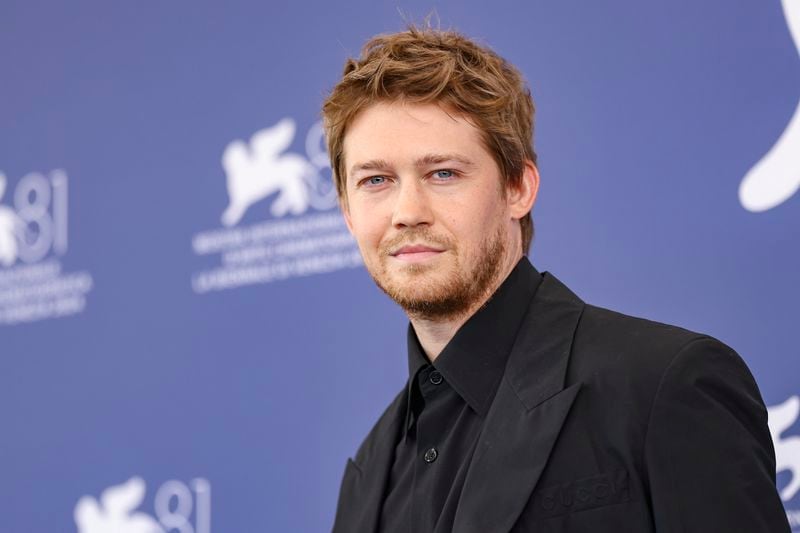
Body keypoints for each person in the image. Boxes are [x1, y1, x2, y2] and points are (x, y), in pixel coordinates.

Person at [322, 26, 790, 532]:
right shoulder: (368, 474)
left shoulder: (664, 384)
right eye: (376, 181)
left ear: (519, 188)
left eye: (443, 173)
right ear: (348, 212)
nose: (407, 211)